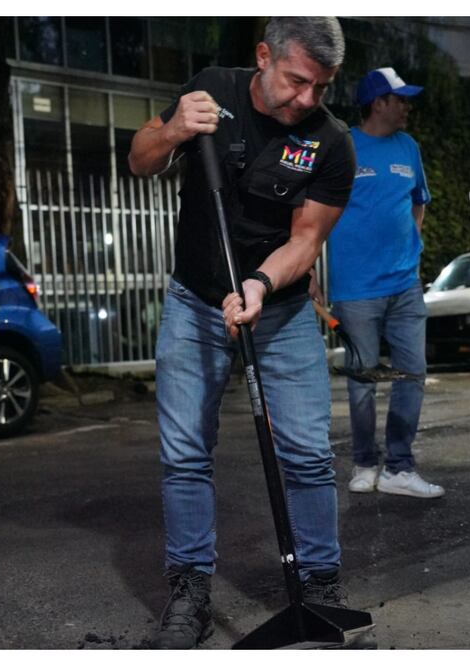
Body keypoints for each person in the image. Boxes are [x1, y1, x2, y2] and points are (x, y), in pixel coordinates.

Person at [128, 17, 356, 648]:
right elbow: (139, 159)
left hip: (278, 310)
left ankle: (319, 587)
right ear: (264, 57)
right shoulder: (209, 90)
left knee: (307, 453)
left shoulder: (331, 143)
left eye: (322, 86)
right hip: (193, 303)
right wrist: (174, 128)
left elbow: (306, 240)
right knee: (184, 453)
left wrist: (258, 283)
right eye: (296, 81)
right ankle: (190, 592)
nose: (307, 99)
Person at [327, 68, 443, 499]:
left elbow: (419, 202)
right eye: (401, 100)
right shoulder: (345, 148)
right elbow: (317, 213)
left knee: (412, 373)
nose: (407, 106)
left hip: (405, 287)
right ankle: (363, 462)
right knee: (363, 381)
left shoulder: (408, 147)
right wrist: (309, 273)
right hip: (355, 289)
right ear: (379, 103)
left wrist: (411, 254)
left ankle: (399, 467)